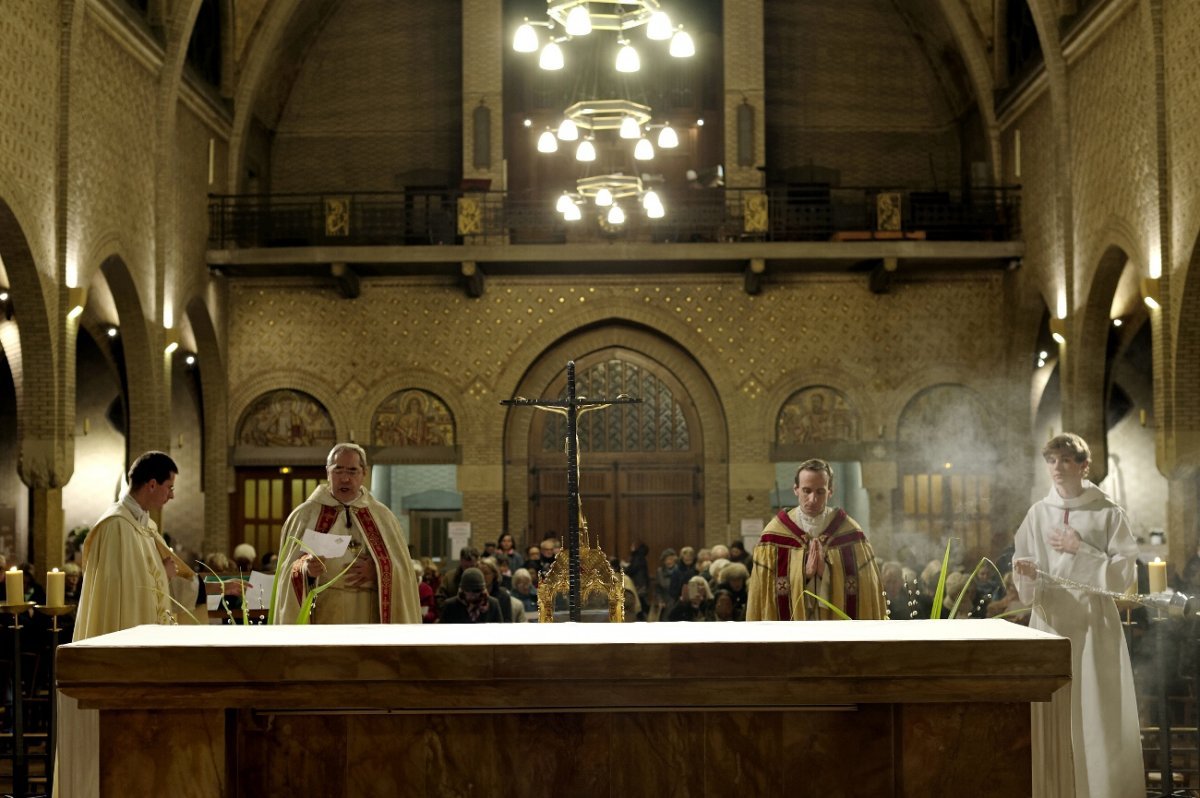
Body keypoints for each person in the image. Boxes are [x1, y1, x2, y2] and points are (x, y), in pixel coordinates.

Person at [1012, 433, 1143, 798]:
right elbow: (1024, 563)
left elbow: (1124, 577)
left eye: (1066, 460)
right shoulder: (1038, 513)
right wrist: (1022, 572)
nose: (1057, 468)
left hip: (1094, 624)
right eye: (1052, 461)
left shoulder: (1107, 512)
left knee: (1096, 711)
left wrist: (1079, 549)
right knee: (1056, 711)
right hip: (1052, 622)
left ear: (1084, 466)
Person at [61, 451, 197, 798]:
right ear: (151, 484)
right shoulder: (117, 527)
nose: (172, 494)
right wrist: (163, 579)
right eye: (169, 486)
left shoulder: (143, 526)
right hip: (127, 656)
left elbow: (161, 578)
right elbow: (124, 599)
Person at [272, 443, 420, 624]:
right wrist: (306, 570)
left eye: (352, 471)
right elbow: (286, 571)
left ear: (364, 473)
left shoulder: (382, 516)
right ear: (328, 472)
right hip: (324, 612)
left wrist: (380, 571)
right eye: (338, 470)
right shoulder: (305, 515)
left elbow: (404, 572)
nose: (345, 478)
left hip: (369, 612)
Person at [746, 458, 885, 620]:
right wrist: (804, 575)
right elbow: (763, 593)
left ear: (830, 491)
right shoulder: (773, 535)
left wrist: (825, 573)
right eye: (806, 490)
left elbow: (867, 589)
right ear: (796, 489)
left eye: (820, 492)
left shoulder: (850, 532)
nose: (812, 499)